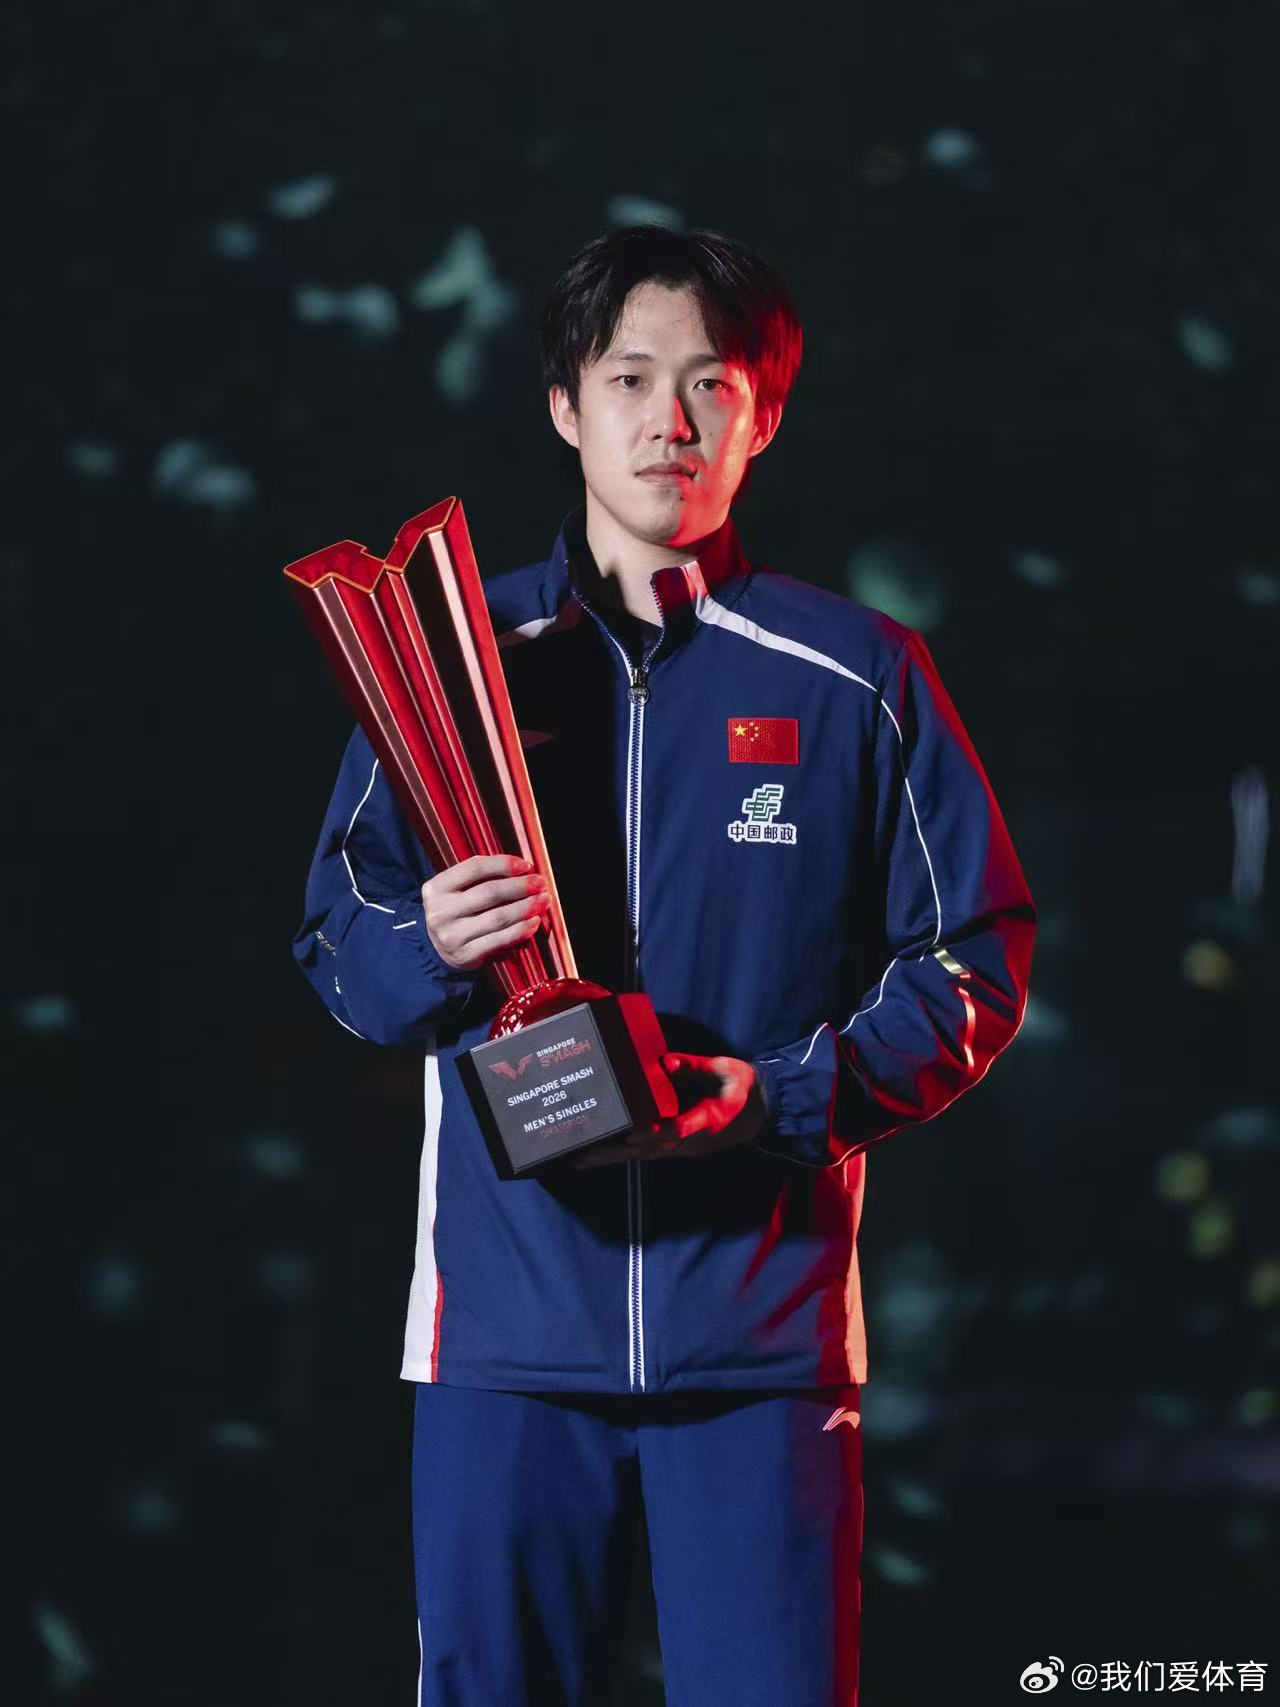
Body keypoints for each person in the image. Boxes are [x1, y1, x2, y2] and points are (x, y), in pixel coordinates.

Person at [291, 224, 1037, 1706]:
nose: (670, 420)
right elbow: (338, 938)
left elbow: (975, 966)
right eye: (629, 377)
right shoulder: (454, 669)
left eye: (712, 383)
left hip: (760, 1350)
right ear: (565, 407)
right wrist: (434, 941)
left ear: (765, 416)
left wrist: (776, 1098)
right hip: (504, 1345)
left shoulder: (859, 676)